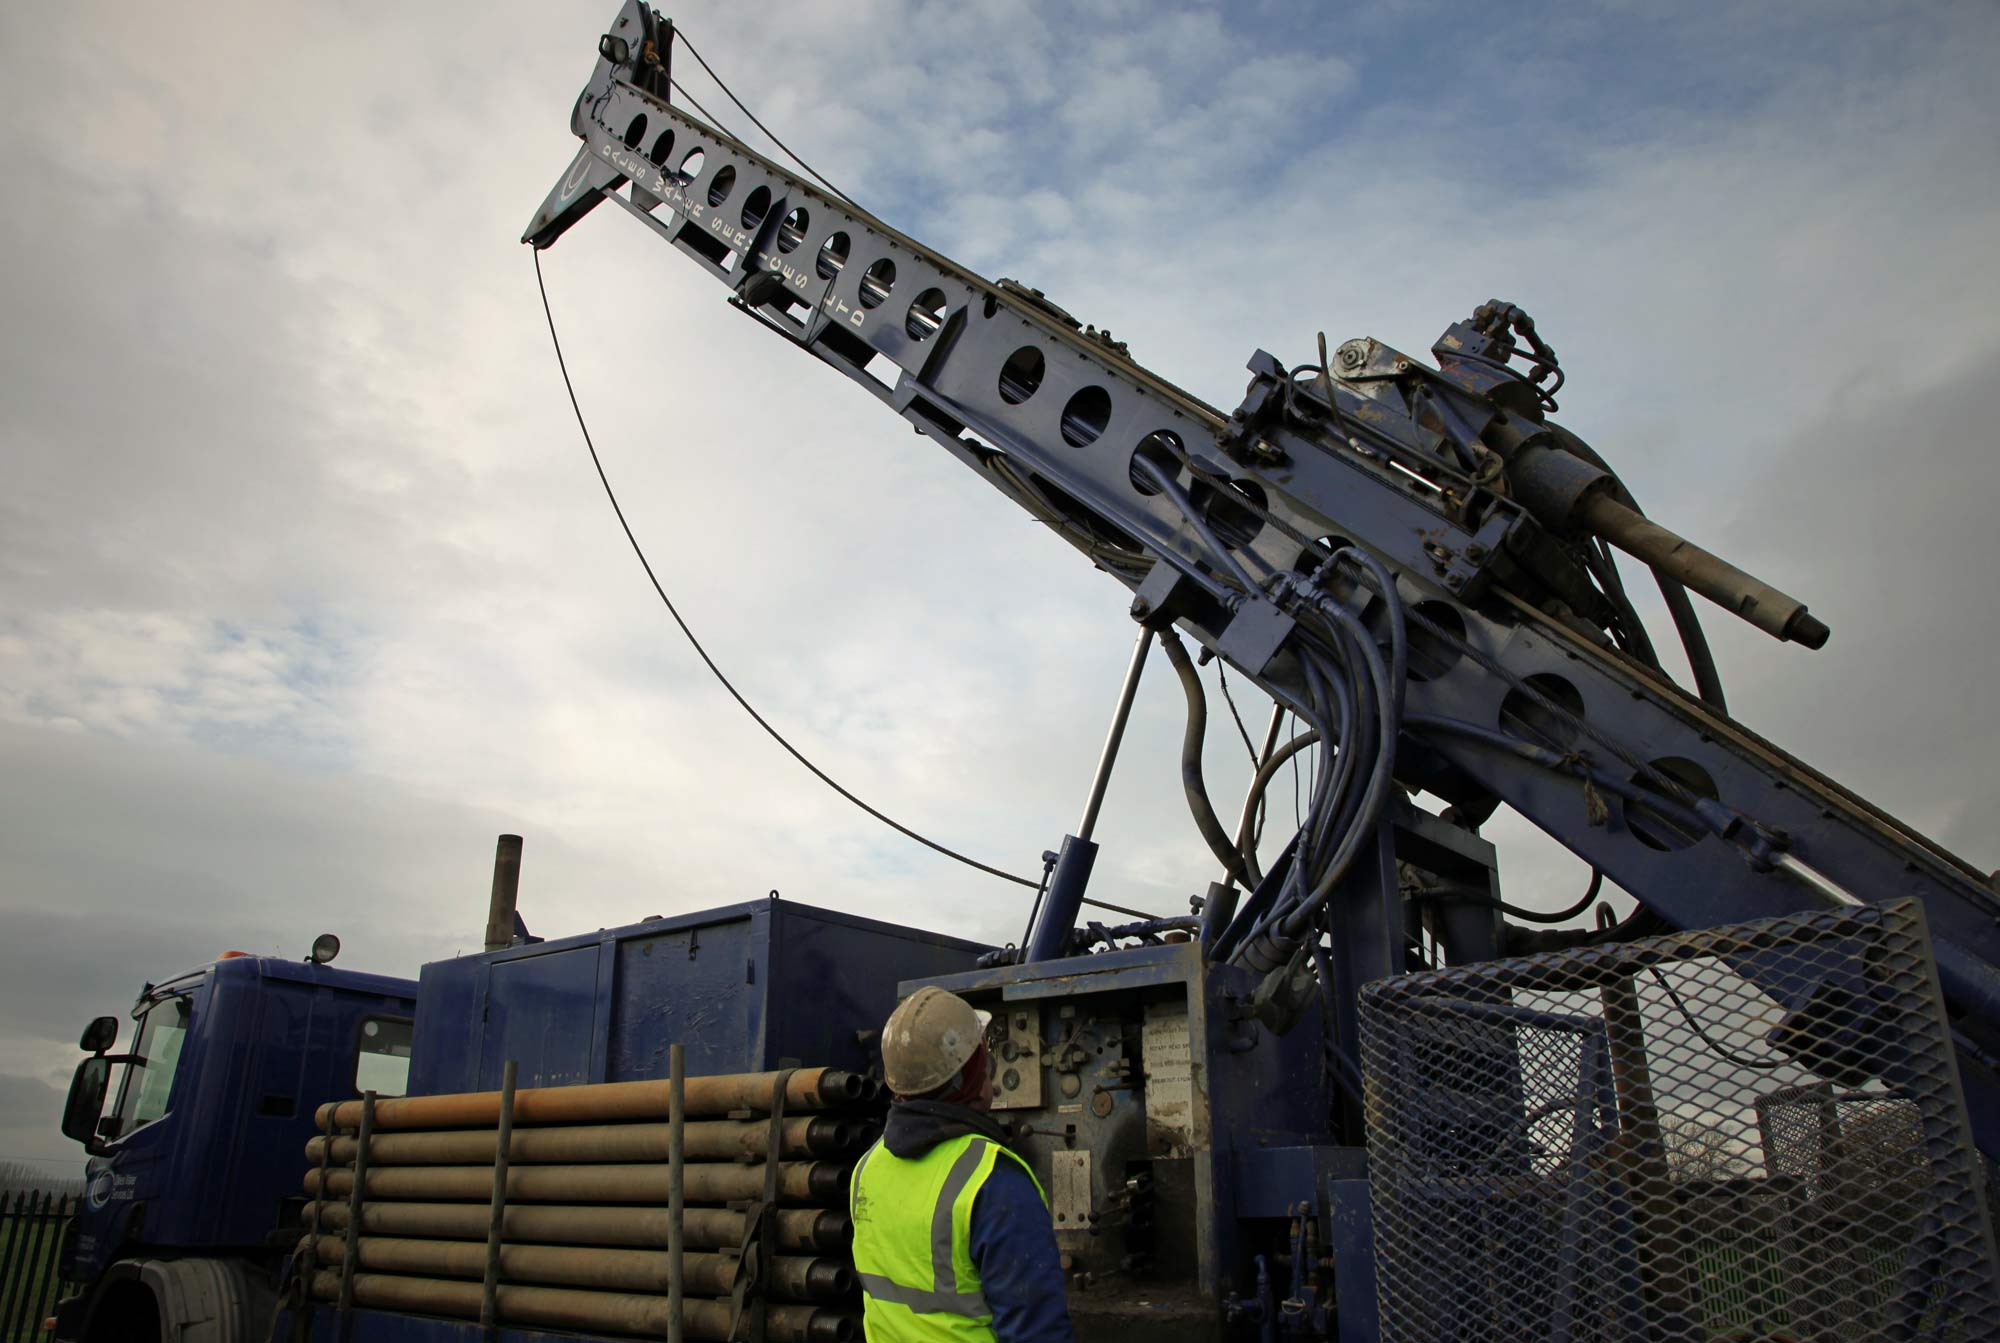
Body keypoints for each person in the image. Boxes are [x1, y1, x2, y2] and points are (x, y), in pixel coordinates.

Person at [849, 987, 1076, 1343]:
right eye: (981, 1057)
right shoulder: (994, 1182)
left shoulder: (868, 1167)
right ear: (968, 1076)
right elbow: (1038, 1331)